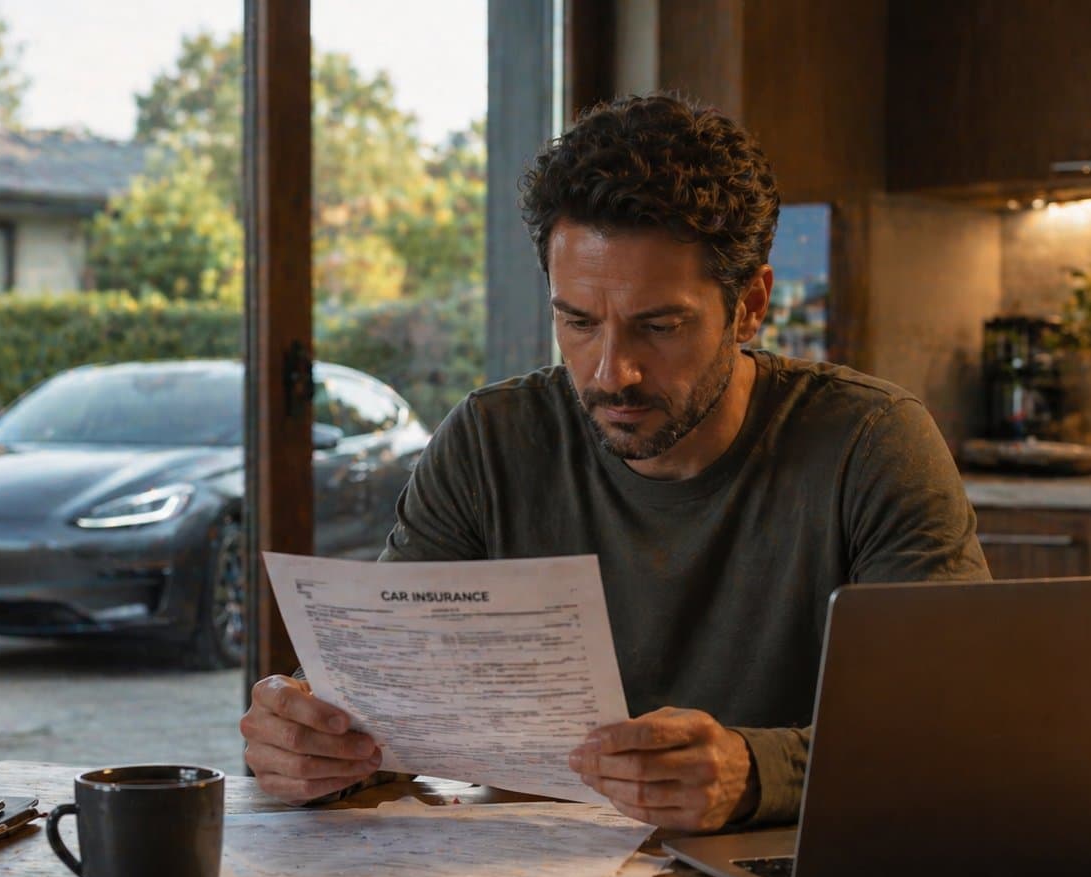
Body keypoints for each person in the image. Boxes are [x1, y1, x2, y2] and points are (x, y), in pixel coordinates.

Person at [240, 93, 990, 833]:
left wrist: (755, 772)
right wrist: (311, 740)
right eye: (578, 321)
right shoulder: (490, 442)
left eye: (658, 327)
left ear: (751, 304)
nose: (610, 373)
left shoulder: (871, 442)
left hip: (773, 876)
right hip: (533, 876)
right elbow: (386, 699)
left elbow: (955, 726)